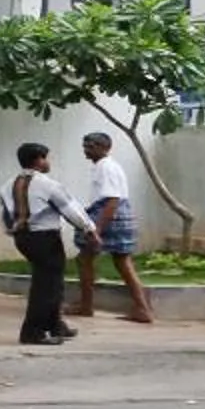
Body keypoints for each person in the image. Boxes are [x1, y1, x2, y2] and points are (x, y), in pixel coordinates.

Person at [1, 142, 96, 346]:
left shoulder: (8, 184)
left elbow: (7, 215)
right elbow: (70, 208)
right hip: (45, 238)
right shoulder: (47, 184)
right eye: (45, 157)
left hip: (23, 237)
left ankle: (55, 324)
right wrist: (89, 229)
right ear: (38, 160)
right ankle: (33, 332)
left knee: (51, 281)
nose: (47, 162)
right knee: (46, 286)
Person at [71, 131, 155, 324]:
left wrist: (96, 230)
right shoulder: (106, 166)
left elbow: (112, 200)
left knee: (85, 258)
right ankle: (142, 308)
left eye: (91, 146)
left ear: (105, 148)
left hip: (110, 216)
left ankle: (86, 306)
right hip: (118, 215)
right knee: (122, 261)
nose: (86, 150)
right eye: (85, 146)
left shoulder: (105, 167)